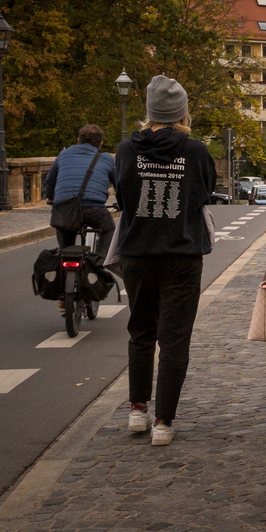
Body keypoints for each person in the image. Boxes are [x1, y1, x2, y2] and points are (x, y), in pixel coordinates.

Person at [112, 75, 216, 446]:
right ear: (182, 112)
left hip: (137, 252)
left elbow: (122, 200)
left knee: (140, 331)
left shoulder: (125, 151)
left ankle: (137, 410)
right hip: (182, 255)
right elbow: (204, 193)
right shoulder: (197, 151)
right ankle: (163, 422)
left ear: (149, 112)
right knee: (174, 339)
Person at [43, 124, 117, 252]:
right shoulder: (106, 159)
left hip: (65, 207)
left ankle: (64, 257)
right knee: (109, 229)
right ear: (101, 144)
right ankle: (99, 262)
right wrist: (122, 202)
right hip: (94, 209)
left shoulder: (64, 155)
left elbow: (50, 180)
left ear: (78, 140)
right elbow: (118, 182)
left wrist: (51, 198)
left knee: (64, 233)